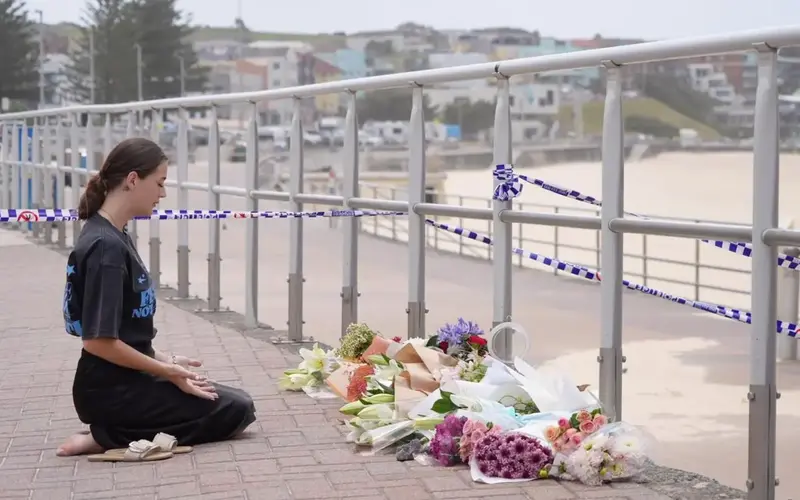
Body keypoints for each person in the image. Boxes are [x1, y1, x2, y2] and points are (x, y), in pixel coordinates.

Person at [56, 137, 256, 458]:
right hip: (110, 390)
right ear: (133, 180)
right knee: (235, 409)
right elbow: (97, 341)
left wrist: (168, 361)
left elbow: (126, 334)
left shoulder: (115, 235)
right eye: (160, 183)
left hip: (128, 380)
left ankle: (115, 428)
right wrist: (168, 373)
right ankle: (108, 435)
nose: (163, 194)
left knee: (230, 400)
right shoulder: (105, 248)